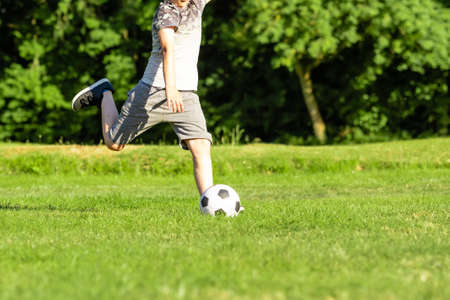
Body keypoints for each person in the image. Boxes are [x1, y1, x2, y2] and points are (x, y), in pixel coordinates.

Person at [71, 0, 214, 195]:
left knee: (201, 146)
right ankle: (104, 93)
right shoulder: (166, 11)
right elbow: (167, 49)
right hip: (153, 91)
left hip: (186, 95)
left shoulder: (196, 4)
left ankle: (210, 201)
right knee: (114, 143)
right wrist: (171, 88)